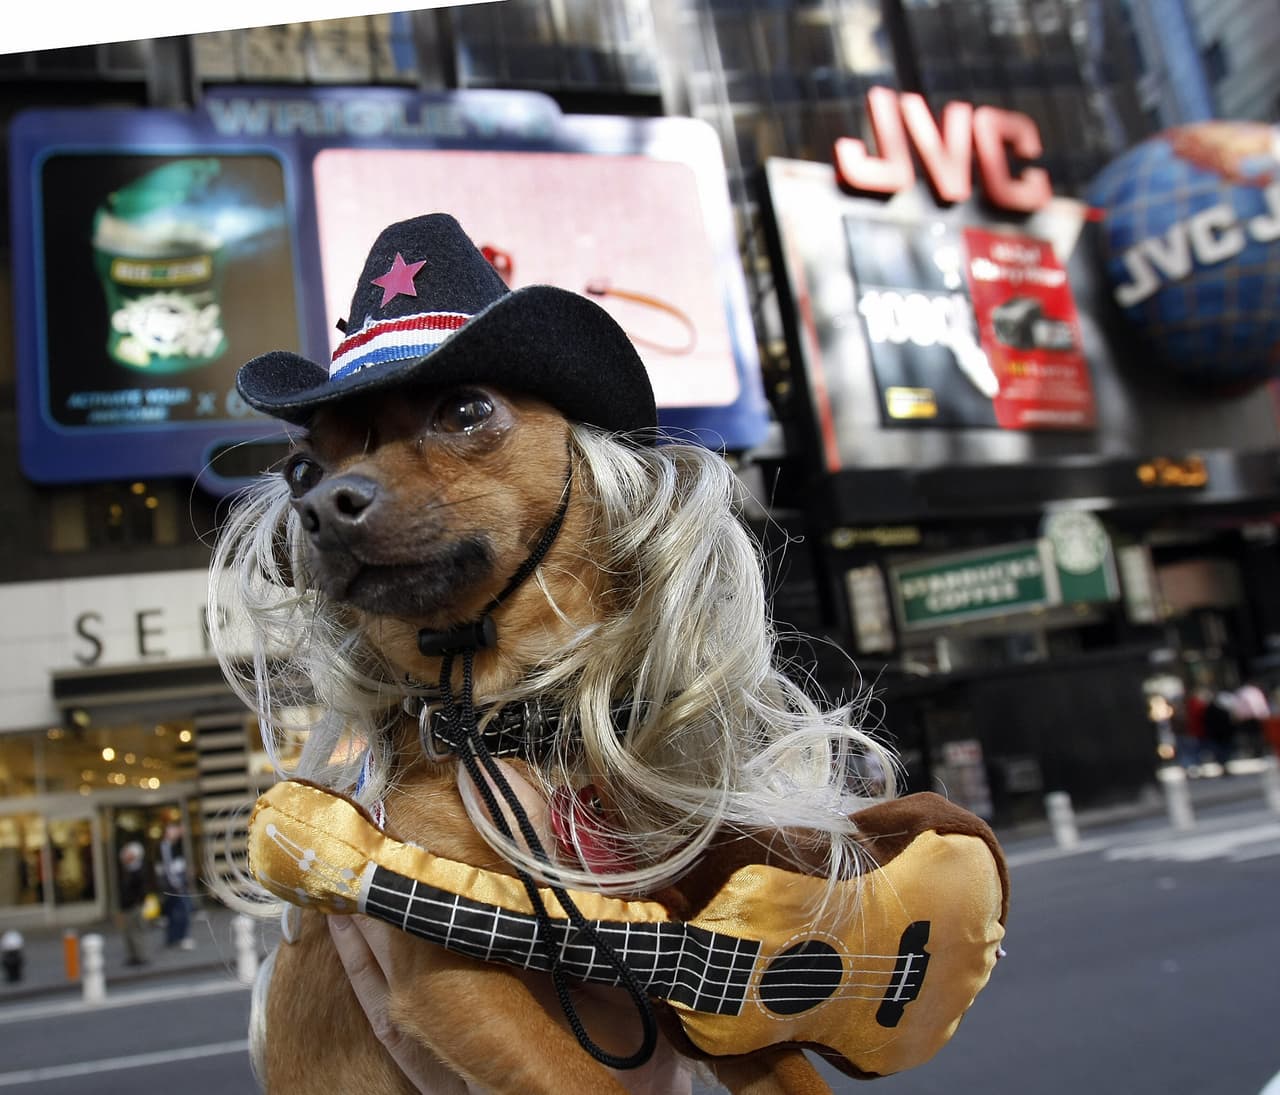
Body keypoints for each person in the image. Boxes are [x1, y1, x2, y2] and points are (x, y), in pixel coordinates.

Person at [156, 821, 195, 950]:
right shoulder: (165, 846)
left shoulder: (173, 846)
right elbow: (168, 867)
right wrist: (177, 884)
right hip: (175, 885)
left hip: (176, 883)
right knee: (183, 910)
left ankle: (173, 938)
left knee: (173, 912)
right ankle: (179, 938)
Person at [118, 841, 150, 967]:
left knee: (136, 931)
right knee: (128, 932)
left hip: (134, 906)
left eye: (127, 854)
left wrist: (137, 902)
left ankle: (140, 956)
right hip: (128, 905)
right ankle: (133, 955)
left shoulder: (137, 870)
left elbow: (140, 889)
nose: (124, 856)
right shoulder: (128, 869)